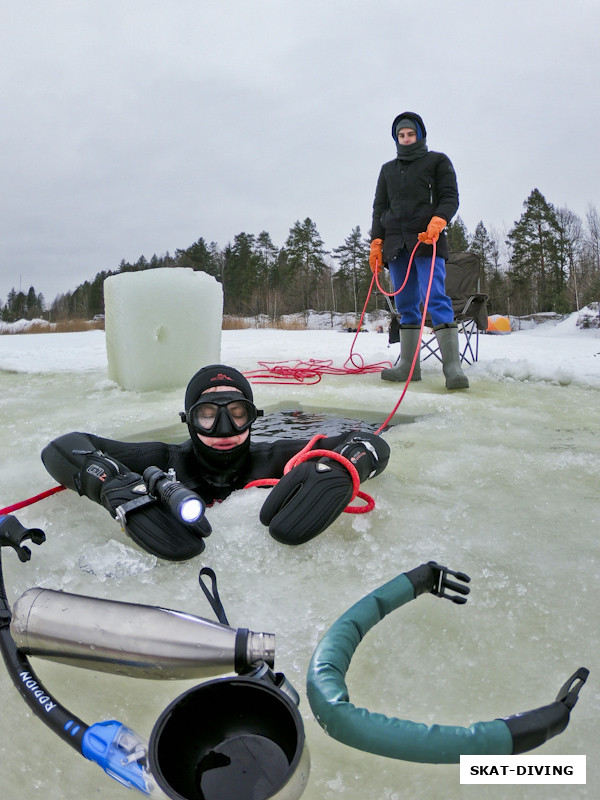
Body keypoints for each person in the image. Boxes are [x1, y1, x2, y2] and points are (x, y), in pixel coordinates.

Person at [41, 364, 390, 561]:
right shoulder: (164, 459)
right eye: (207, 416)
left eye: (238, 415)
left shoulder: (273, 457)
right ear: (188, 421)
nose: (224, 430)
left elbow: (369, 442)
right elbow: (63, 447)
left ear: (253, 418)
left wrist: (344, 467)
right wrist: (109, 482)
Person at [369, 111, 469, 390]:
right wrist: (377, 242)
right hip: (395, 244)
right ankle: (408, 368)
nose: (406, 139)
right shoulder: (388, 170)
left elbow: (450, 197)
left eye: (410, 134)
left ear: (420, 134)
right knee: (405, 305)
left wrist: (439, 220)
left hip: (427, 241)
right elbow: (379, 208)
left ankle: (452, 367)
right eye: (401, 135)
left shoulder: (437, 161)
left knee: (435, 297)